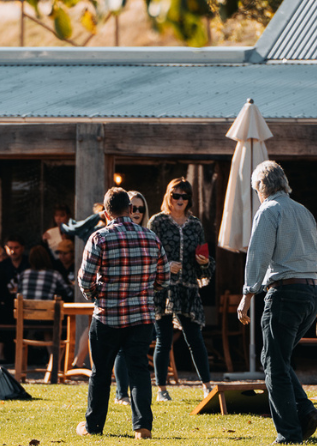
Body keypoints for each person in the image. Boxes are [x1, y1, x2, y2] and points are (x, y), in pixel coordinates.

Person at [235, 161, 317, 444]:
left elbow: (258, 255)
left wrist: (247, 296)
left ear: (262, 187)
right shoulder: (304, 210)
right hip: (311, 291)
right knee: (277, 358)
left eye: (255, 190)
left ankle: (288, 433)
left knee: (273, 362)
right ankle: (306, 412)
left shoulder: (269, 210)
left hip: (285, 292)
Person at [75, 187, 166, 440]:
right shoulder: (151, 237)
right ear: (129, 209)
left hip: (107, 316)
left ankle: (93, 427)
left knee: (101, 373)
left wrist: (97, 295)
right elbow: (164, 277)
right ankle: (142, 427)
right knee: (138, 370)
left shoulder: (99, 238)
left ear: (105, 212)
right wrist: (147, 291)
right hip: (142, 317)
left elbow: (85, 279)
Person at [147, 178, 215, 401]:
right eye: (175, 195)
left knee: (195, 338)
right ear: (168, 196)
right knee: (163, 340)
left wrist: (203, 261)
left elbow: (204, 262)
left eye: (184, 196)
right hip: (163, 288)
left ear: (189, 199)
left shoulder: (195, 224)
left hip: (187, 288)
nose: (179, 200)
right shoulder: (156, 222)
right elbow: (148, 257)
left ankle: (206, 386)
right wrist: (165, 266)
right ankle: (162, 390)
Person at [114, 190, 155, 405]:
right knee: (122, 348)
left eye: (141, 208)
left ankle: (135, 398)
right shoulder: (111, 234)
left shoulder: (149, 235)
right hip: (119, 302)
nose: (137, 212)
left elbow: (159, 272)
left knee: (137, 353)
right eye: (133, 207)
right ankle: (121, 393)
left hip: (142, 303)